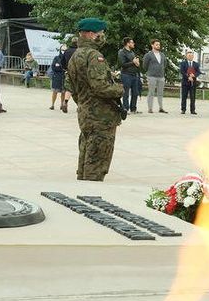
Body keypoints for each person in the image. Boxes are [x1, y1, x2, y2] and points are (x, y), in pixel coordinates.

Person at [66, 18, 124, 182]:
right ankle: (91, 196)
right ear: (92, 34)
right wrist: (120, 89)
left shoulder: (75, 56)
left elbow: (72, 87)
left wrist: (84, 103)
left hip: (85, 113)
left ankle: (82, 190)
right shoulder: (94, 56)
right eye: (101, 33)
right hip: (100, 117)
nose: (103, 36)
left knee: (86, 156)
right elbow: (100, 87)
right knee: (97, 161)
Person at [141, 39, 168, 114]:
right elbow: (144, 65)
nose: (158, 46)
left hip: (161, 76)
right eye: (156, 44)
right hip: (151, 76)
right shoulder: (148, 55)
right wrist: (150, 71)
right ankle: (150, 108)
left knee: (160, 93)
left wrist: (161, 70)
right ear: (152, 45)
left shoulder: (162, 55)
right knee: (151, 92)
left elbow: (164, 64)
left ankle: (161, 108)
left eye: (159, 45)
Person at [118, 37, 141, 114]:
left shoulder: (132, 52)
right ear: (127, 43)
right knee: (126, 93)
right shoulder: (122, 52)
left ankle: (133, 108)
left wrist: (137, 64)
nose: (133, 44)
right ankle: (125, 108)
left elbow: (134, 62)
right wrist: (133, 62)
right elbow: (122, 64)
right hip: (126, 75)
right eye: (132, 42)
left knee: (135, 93)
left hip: (134, 75)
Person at [49, 46, 71, 112]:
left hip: (64, 77)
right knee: (55, 92)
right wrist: (61, 68)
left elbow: (67, 67)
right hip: (56, 77)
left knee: (63, 92)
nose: (63, 51)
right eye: (62, 50)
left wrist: (59, 67)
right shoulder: (56, 58)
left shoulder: (67, 58)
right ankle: (52, 104)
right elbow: (53, 67)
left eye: (65, 50)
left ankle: (62, 105)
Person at [179, 51, 200, 115]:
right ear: (186, 56)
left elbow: (198, 72)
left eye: (191, 55)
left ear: (193, 56)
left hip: (193, 83)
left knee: (193, 97)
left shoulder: (196, 64)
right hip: (185, 82)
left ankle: (192, 110)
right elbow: (182, 71)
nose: (190, 57)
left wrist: (194, 75)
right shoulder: (183, 63)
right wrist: (188, 77)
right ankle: (183, 109)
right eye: (189, 55)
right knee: (184, 96)